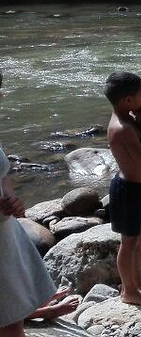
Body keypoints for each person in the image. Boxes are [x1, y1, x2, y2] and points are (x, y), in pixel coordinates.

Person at [1, 144, 79, 337]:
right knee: (10, 321)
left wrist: (11, 199)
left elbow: (2, 175)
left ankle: (38, 311)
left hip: (6, 233)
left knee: (14, 310)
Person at [104, 72, 141, 306]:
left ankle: (137, 282)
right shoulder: (123, 128)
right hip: (126, 190)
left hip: (137, 188)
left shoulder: (130, 121)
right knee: (128, 241)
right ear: (127, 100)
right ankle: (128, 290)